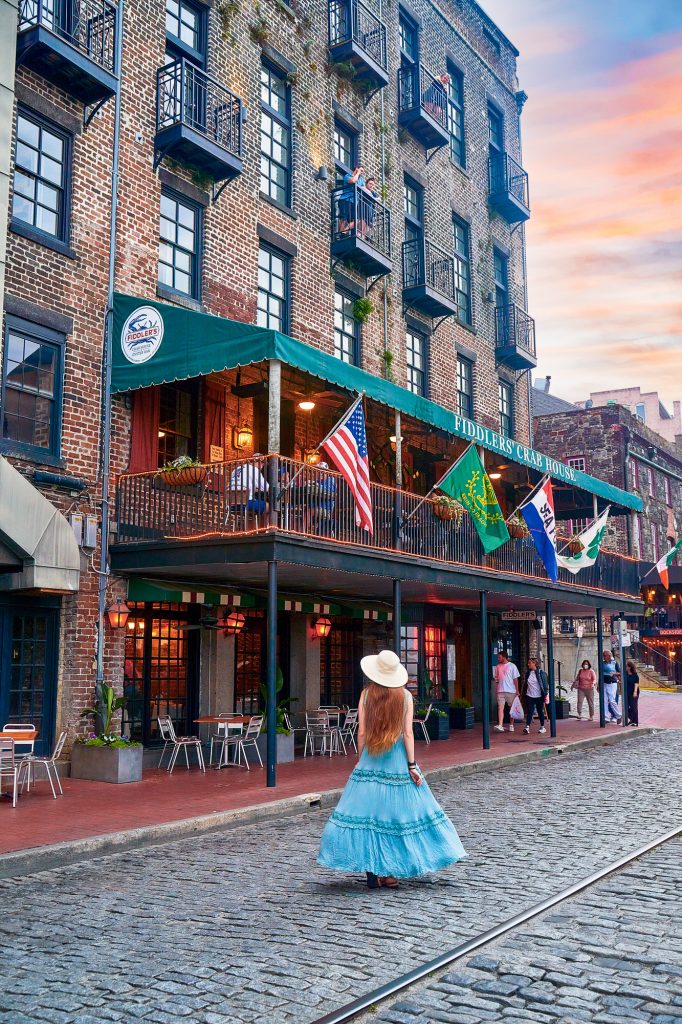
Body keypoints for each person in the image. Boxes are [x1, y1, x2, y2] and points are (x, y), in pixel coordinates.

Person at [318, 649, 467, 889]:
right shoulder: (405, 697)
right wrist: (411, 765)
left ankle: (372, 870)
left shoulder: (366, 695)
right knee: (397, 815)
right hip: (397, 760)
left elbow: (362, 731)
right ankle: (388, 872)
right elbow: (408, 733)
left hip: (370, 759)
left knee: (367, 815)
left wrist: (360, 758)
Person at [493, 651, 520, 733]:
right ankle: (500, 725)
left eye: (499, 657)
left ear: (504, 657)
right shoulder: (497, 666)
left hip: (511, 691)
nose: (498, 659)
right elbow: (496, 679)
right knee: (500, 708)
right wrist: (496, 689)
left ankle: (511, 724)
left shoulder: (512, 666)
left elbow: (515, 679)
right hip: (500, 691)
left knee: (511, 709)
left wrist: (517, 690)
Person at [521, 657, 547, 735]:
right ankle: (527, 727)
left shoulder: (541, 673)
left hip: (539, 696)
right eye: (528, 663)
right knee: (530, 711)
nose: (528, 664)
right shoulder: (528, 673)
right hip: (530, 695)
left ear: (534, 663)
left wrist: (545, 694)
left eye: (530, 663)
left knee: (540, 711)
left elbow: (545, 685)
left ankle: (542, 726)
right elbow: (526, 684)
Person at [602, 650, 621, 723]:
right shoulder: (602, 663)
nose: (604, 657)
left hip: (612, 682)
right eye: (603, 655)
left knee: (612, 700)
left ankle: (618, 715)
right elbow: (601, 673)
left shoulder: (614, 663)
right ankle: (606, 717)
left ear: (609, 655)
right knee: (604, 700)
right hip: (604, 682)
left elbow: (619, 672)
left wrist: (614, 673)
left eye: (605, 655)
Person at [625, 660, 640, 726]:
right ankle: (631, 719)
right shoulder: (625, 674)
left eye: (626, 666)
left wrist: (635, 692)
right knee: (626, 706)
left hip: (633, 692)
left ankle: (635, 722)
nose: (625, 667)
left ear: (629, 667)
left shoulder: (635, 675)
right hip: (627, 692)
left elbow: (636, 684)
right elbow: (619, 675)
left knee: (633, 707)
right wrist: (614, 674)